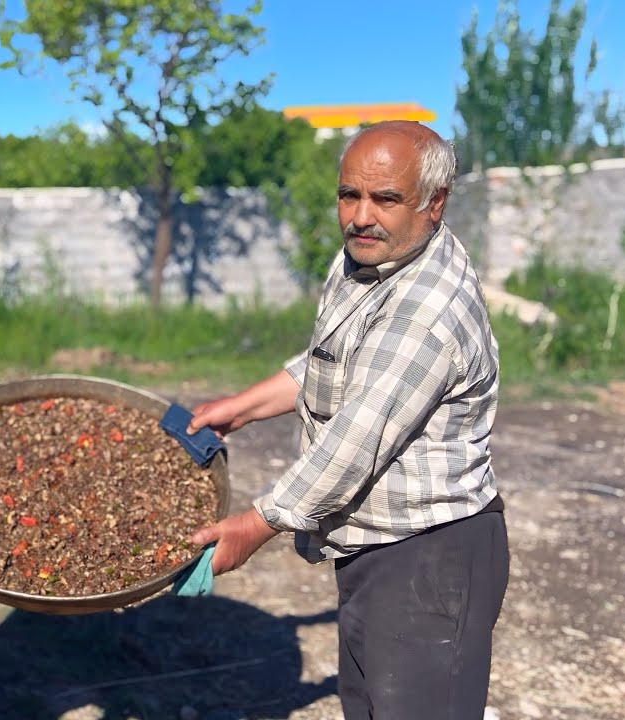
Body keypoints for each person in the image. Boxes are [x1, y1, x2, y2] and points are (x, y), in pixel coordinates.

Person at [188, 121, 509, 719]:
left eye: (385, 199)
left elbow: (354, 441)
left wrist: (256, 524)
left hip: (430, 554)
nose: (361, 216)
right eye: (348, 195)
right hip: (375, 543)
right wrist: (243, 407)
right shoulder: (371, 257)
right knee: (367, 706)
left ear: (433, 204)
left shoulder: (427, 310)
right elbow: (335, 359)